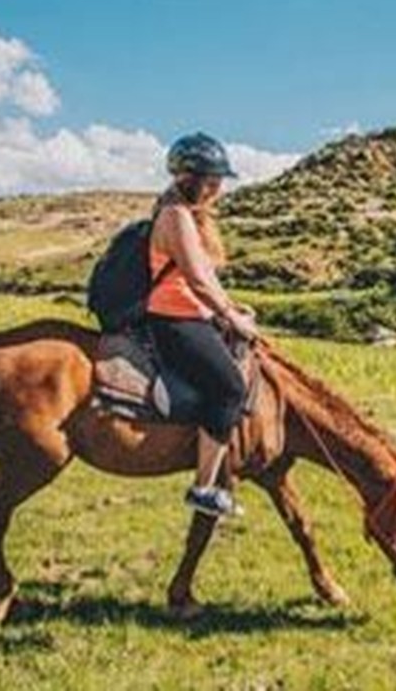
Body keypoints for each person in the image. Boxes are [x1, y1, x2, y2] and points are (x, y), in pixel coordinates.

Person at [146, 132, 262, 517]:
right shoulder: (175, 216)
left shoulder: (187, 215)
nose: (217, 189)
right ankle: (203, 488)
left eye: (218, 182)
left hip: (192, 312)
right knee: (230, 386)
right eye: (211, 181)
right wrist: (230, 319)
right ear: (187, 179)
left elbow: (206, 280)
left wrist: (231, 307)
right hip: (173, 319)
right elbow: (195, 281)